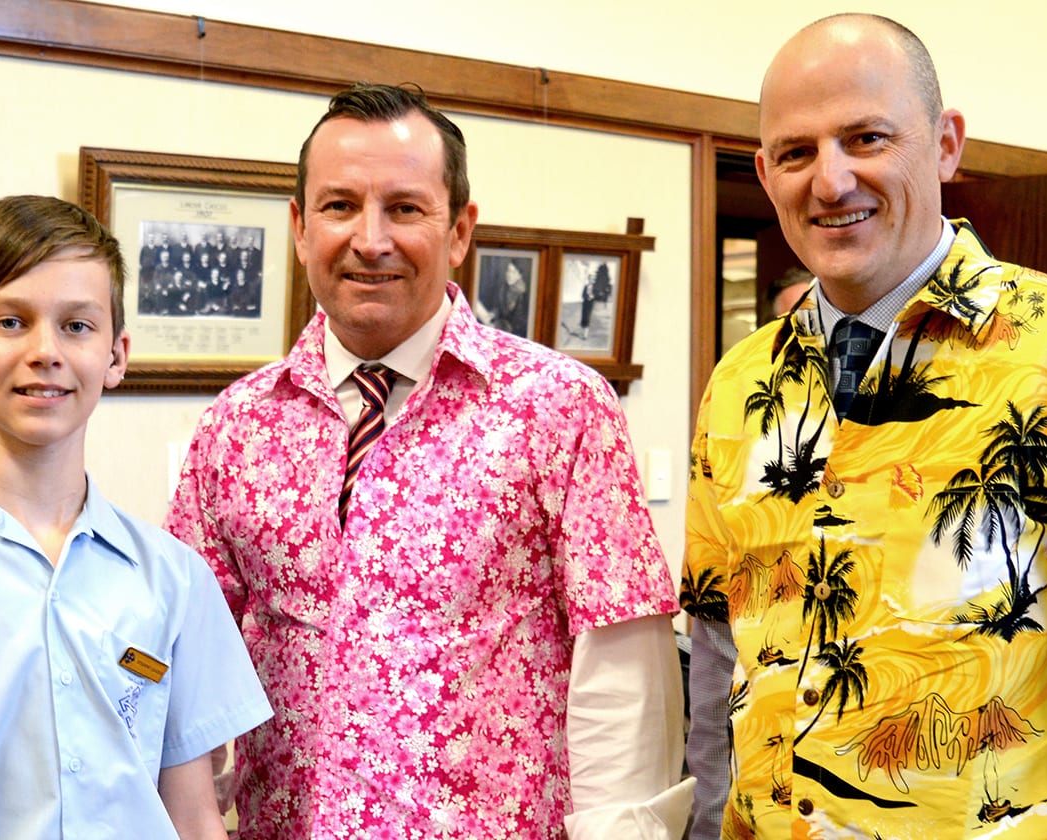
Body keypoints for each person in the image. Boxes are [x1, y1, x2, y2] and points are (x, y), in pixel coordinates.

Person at [166, 83, 691, 839]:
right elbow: (188, 664)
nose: (370, 239)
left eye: (405, 209)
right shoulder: (236, 427)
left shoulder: (560, 409)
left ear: (459, 231)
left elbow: (622, 683)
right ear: (299, 227)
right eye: (340, 206)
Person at [682, 14, 1047, 839]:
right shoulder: (738, 384)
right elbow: (716, 666)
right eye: (796, 152)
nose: (831, 181)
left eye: (866, 138)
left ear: (946, 144)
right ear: (764, 172)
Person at [0, 195, 272, 840]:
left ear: (116, 355)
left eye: (77, 326)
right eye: (10, 322)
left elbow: (196, 817)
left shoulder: (176, 581)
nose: (45, 351)